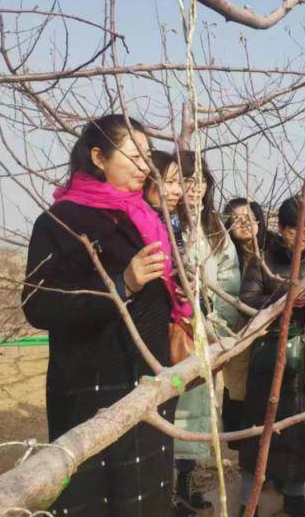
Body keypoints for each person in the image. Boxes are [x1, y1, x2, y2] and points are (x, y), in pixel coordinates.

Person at [22, 115, 185, 516]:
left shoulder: (143, 217)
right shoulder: (60, 221)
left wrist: (177, 290)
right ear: (99, 156)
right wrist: (121, 285)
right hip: (92, 388)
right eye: (135, 156)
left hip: (148, 379)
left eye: (149, 155)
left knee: (148, 497)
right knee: (98, 497)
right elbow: (38, 305)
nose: (147, 166)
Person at [237, 197, 305, 517]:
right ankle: (247, 501)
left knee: (302, 427)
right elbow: (248, 302)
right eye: (295, 227)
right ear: (281, 229)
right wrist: (286, 297)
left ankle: (295, 494)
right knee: (260, 430)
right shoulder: (263, 260)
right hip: (270, 354)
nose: (304, 233)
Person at [172, 150, 242, 516]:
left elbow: (229, 277)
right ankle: (167, 489)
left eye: (202, 180)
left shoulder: (214, 226)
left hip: (204, 330)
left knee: (198, 413)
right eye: (187, 179)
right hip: (173, 330)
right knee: (170, 410)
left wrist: (219, 325)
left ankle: (184, 486)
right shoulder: (168, 221)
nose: (195, 188)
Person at [220, 197, 267, 463]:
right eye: (236, 219)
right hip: (237, 330)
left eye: (248, 217)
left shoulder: (272, 249)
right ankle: (243, 448)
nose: (243, 223)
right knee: (238, 385)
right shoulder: (227, 254)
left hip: (268, 330)